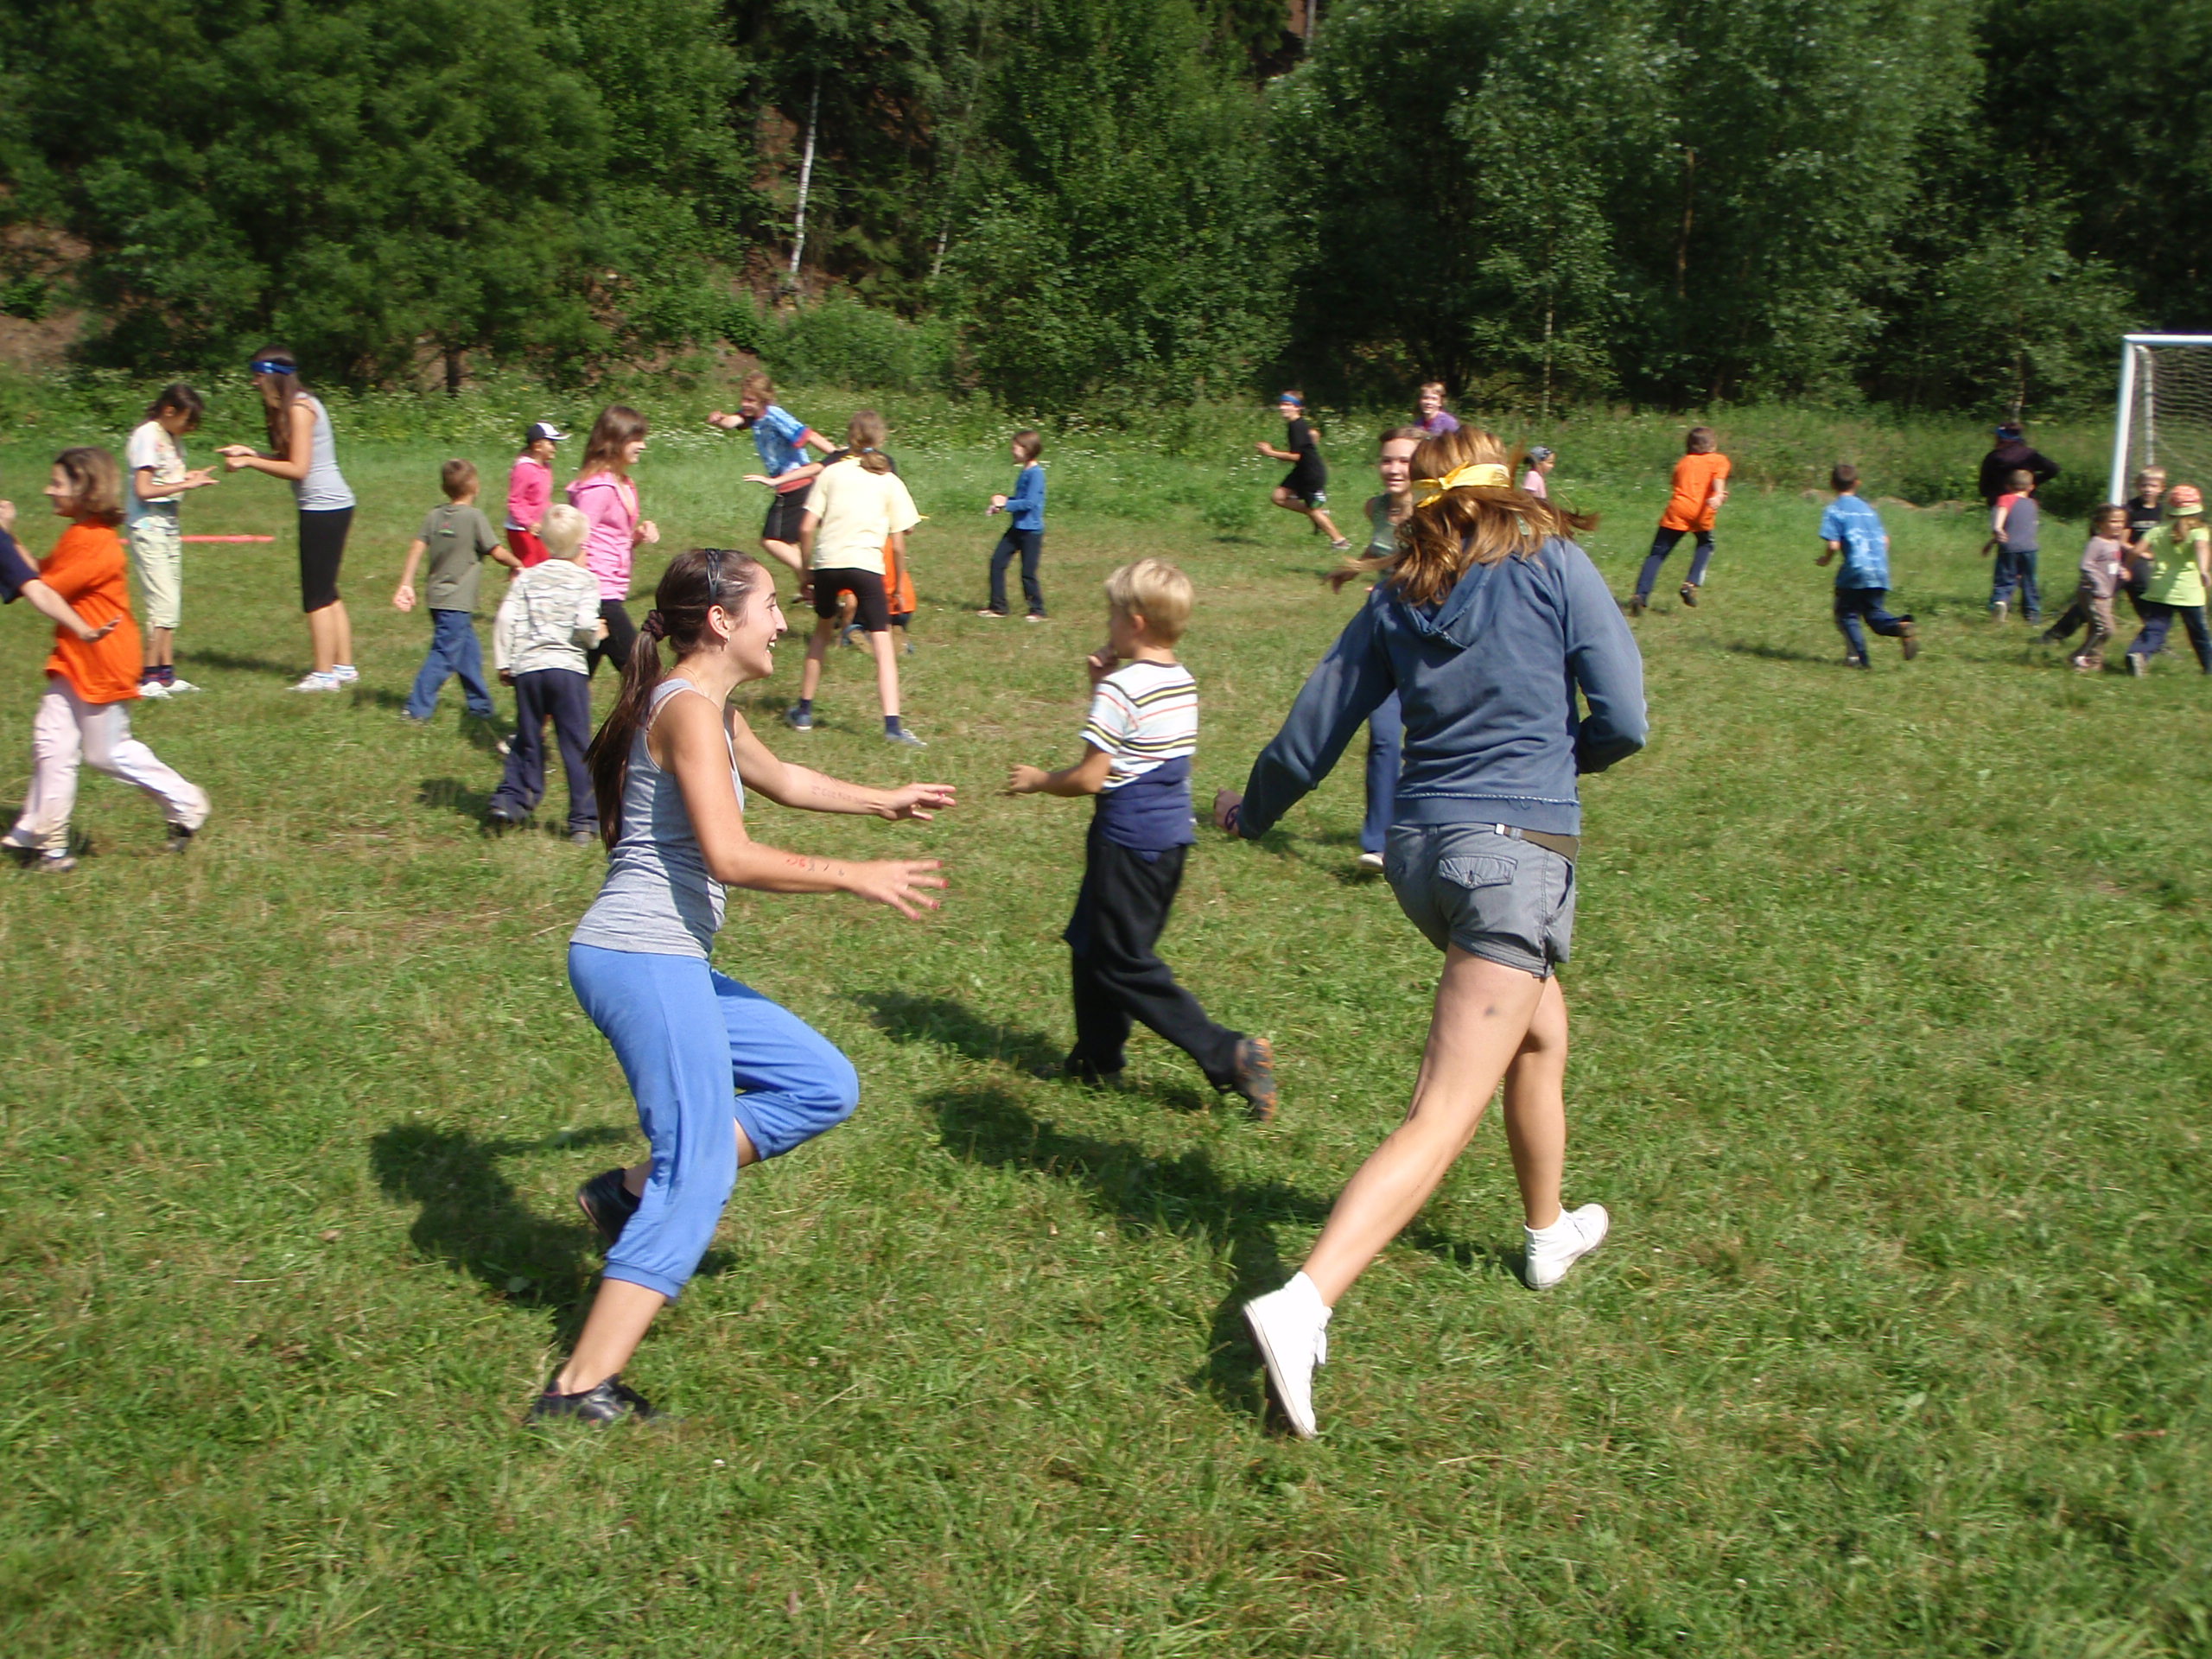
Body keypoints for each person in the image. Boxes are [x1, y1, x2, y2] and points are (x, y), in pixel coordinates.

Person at [1213, 424, 1646, 1440]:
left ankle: (1546, 1232)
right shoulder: (1554, 562)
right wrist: (1556, 762)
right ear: (1508, 491)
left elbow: (1312, 732)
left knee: (1538, 1034)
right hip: (1510, 860)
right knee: (1442, 1112)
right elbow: (1624, 717)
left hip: (1420, 857)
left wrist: (1252, 811)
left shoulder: (1397, 591)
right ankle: (1303, 1302)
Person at [535, 547, 954, 1425]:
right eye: (769, 605)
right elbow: (730, 854)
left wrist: (882, 799)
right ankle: (578, 1390)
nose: (782, 620)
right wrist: (855, 875)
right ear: (722, 621)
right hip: (641, 954)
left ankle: (624, 1195)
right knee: (696, 1171)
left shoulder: (712, 711)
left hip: (668, 957)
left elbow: (786, 779)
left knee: (821, 1084)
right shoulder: (686, 710)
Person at [1006, 558, 1278, 1117]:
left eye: (1111, 614)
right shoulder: (1180, 679)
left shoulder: (1123, 688)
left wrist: (1038, 780)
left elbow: (1091, 777)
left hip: (1126, 843)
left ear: (1134, 623)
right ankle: (1096, 1060)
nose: (1106, 624)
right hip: (1167, 843)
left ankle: (1230, 1053)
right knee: (1093, 942)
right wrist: (1100, 686)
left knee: (1122, 963)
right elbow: (1141, 746)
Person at [2, 448, 210, 873]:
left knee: (106, 752)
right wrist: (9, 539)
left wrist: (5, 536)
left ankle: (187, 803)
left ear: (86, 489)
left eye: (57, 484)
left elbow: (42, 588)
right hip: (75, 655)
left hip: (103, 658)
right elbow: (34, 574)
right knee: (51, 741)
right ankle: (44, 837)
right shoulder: (78, 533)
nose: (47, 491)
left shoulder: (95, 542)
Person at [215, 346, 358, 691]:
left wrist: (250, 462)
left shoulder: (299, 408)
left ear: (274, 376)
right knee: (327, 590)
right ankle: (344, 668)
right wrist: (252, 452)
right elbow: (290, 457)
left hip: (323, 508)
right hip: (331, 505)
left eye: (258, 376)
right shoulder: (302, 404)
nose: (254, 383)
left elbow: (298, 468)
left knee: (316, 596)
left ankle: (324, 675)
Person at [786, 410, 926, 747]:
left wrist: (805, 572)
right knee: (883, 645)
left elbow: (805, 528)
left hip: (828, 564)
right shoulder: (889, 480)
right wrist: (897, 586)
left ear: (849, 438)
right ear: (882, 438)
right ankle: (892, 727)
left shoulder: (831, 473)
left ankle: (804, 712)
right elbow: (899, 542)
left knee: (821, 632)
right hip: (866, 566)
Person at [1327, 426, 1424, 874]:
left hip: (1431, 639)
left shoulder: (1438, 509)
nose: (1394, 468)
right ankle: (1379, 843)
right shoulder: (1378, 507)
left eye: (1405, 460)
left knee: (1433, 739)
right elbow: (1380, 546)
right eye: (1388, 459)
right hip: (1387, 633)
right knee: (1384, 735)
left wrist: (1398, 583)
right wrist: (1352, 568)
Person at [489, 505, 605, 840]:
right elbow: (585, 623)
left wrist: (504, 662)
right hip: (567, 671)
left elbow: (506, 619)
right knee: (576, 744)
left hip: (529, 670)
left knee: (529, 736)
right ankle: (584, 820)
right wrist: (596, 635)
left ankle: (512, 800)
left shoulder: (527, 577)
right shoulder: (585, 580)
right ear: (582, 544)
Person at [394, 459, 518, 724]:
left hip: (437, 598)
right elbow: (496, 552)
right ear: (475, 486)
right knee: (444, 656)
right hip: (456, 602)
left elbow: (417, 547)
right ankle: (416, 709)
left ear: (444, 488)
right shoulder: (474, 518)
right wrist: (518, 564)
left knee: (468, 655)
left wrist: (406, 582)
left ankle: (480, 707)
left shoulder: (435, 516)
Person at [124, 384, 218, 699]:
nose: (191, 428)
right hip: (147, 527)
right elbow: (144, 490)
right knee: (162, 604)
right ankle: (148, 676)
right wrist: (185, 486)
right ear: (168, 411)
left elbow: (165, 478)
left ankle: (166, 675)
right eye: (188, 420)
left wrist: (188, 478)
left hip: (167, 527)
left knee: (171, 603)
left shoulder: (170, 437)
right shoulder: (147, 436)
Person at [708, 373, 836, 582]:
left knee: (772, 540)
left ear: (764, 399)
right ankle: (809, 588)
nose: (745, 404)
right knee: (790, 542)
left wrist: (836, 454)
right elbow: (732, 421)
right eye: (743, 399)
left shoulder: (775, 415)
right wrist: (719, 420)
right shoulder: (752, 416)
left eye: (750, 400)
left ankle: (811, 574)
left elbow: (808, 435)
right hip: (794, 485)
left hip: (795, 484)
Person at [569, 406, 660, 677]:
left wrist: (637, 536)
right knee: (642, 673)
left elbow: (611, 539)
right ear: (614, 440)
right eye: (636, 439)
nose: (642, 445)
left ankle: (545, 703)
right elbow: (578, 541)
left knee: (576, 674)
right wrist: (580, 595)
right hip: (599, 593)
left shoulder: (624, 483)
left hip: (610, 589)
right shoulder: (598, 488)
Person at [1816, 465, 1918, 668]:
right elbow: (1885, 541)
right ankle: (1900, 626)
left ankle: (1860, 660)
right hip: (1879, 570)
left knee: (1847, 614)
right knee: (1874, 615)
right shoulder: (1869, 509)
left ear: (1832, 484)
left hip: (1855, 570)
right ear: (1857, 483)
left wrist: (1826, 560)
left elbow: (1833, 544)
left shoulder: (1834, 509)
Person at [1630, 426, 1729, 613]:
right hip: (1701, 511)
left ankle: (1640, 596)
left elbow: (1676, 483)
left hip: (1678, 509)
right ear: (1713, 444)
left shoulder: (1683, 462)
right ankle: (1690, 584)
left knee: (1657, 555)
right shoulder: (1719, 460)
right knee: (1705, 544)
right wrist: (1718, 494)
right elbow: (1719, 478)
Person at [2123, 485, 2212, 677]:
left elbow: (2136, 550)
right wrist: (2204, 570)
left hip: (2160, 588)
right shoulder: (2199, 530)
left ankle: (2138, 653)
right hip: (2189, 592)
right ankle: (2209, 667)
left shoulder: (2158, 530)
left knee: (2155, 627)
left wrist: (2127, 567)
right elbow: (2201, 548)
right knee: (2199, 632)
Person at [1255, 392, 1351, 551]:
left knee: (1313, 510)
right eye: (1282, 404)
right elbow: (1311, 437)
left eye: (1288, 404)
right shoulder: (1295, 425)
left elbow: (1296, 456)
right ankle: (1319, 514)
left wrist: (1270, 453)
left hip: (1311, 473)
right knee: (1278, 497)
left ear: (1298, 408)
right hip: (1301, 471)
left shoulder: (1297, 426)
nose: (1282, 407)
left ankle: (1340, 541)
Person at [978, 429, 1047, 620]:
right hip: (1017, 528)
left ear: (1028, 449)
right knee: (997, 563)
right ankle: (998, 607)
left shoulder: (1036, 474)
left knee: (1028, 573)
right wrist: (1003, 503)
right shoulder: (1025, 472)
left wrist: (1006, 503)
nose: (1012, 450)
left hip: (1031, 532)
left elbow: (1030, 503)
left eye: (1015, 447)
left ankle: (1038, 611)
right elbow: (1021, 499)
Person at [2063, 505, 2131, 673]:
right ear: (2100, 523)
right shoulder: (2097, 542)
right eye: (2113, 521)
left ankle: (2093, 662)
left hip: (2107, 593)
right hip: (2093, 593)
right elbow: (2086, 565)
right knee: (2106, 629)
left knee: (2096, 628)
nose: (2118, 525)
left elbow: (2111, 563)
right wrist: (2098, 585)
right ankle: (2078, 656)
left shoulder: (2114, 542)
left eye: (2121, 521)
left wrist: (2122, 570)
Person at [1983, 468, 2043, 625]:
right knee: (2029, 581)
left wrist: (1997, 528)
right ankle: (2032, 615)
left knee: (2004, 578)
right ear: (2031, 487)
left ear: (2008, 486)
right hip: (2030, 548)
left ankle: (2000, 601)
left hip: (2009, 547)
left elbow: (2002, 513)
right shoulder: (2033, 503)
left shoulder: (2005, 499)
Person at [504, 422, 568, 569]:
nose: (555, 448)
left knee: (545, 565)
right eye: (551, 443)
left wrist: (554, 511)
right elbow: (514, 502)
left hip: (538, 528)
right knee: (528, 568)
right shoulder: (524, 469)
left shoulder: (546, 468)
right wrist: (528, 523)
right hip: (521, 530)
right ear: (537, 446)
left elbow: (542, 500)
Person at [1977, 422, 2060, 508]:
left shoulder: (1993, 457)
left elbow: (1984, 488)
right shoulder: (2030, 454)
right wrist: (2032, 481)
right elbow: (2053, 469)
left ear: (2000, 438)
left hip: (2000, 503)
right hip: (2025, 502)